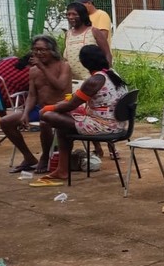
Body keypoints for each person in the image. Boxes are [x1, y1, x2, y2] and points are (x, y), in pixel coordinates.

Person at [32, 45, 128, 186]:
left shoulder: (95, 81)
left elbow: (71, 105)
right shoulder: (112, 74)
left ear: (83, 63)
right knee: (63, 125)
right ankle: (62, 169)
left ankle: (61, 168)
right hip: (118, 124)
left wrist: (47, 108)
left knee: (49, 116)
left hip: (105, 126)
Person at [0, 37, 70, 174]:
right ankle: (29, 157)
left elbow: (60, 86)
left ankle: (45, 157)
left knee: (45, 121)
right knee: (5, 122)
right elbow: (32, 95)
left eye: (42, 50)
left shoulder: (63, 66)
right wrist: (25, 113)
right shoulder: (33, 70)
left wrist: (42, 68)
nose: (38, 53)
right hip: (40, 108)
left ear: (52, 50)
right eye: (35, 50)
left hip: (60, 108)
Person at [64, 2, 112, 159]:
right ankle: (97, 148)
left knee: (98, 115)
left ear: (82, 15)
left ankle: (112, 148)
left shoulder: (93, 31)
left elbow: (107, 54)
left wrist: (107, 74)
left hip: (93, 80)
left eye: (74, 14)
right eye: (68, 14)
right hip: (76, 81)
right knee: (83, 114)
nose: (71, 17)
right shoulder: (68, 34)